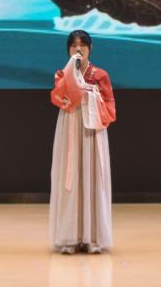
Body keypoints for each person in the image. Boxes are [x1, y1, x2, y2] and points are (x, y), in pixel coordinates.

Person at [49, 30, 117, 254]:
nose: (78, 49)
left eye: (83, 45)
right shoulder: (62, 74)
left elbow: (109, 104)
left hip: (92, 128)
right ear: (68, 49)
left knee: (92, 175)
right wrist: (73, 83)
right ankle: (70, 237)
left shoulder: (100, 75)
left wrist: (89, 93)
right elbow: (58, 98)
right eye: (74, 45)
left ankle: (93, 238)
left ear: (90, 48)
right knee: (71, 177)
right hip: (71, 125)